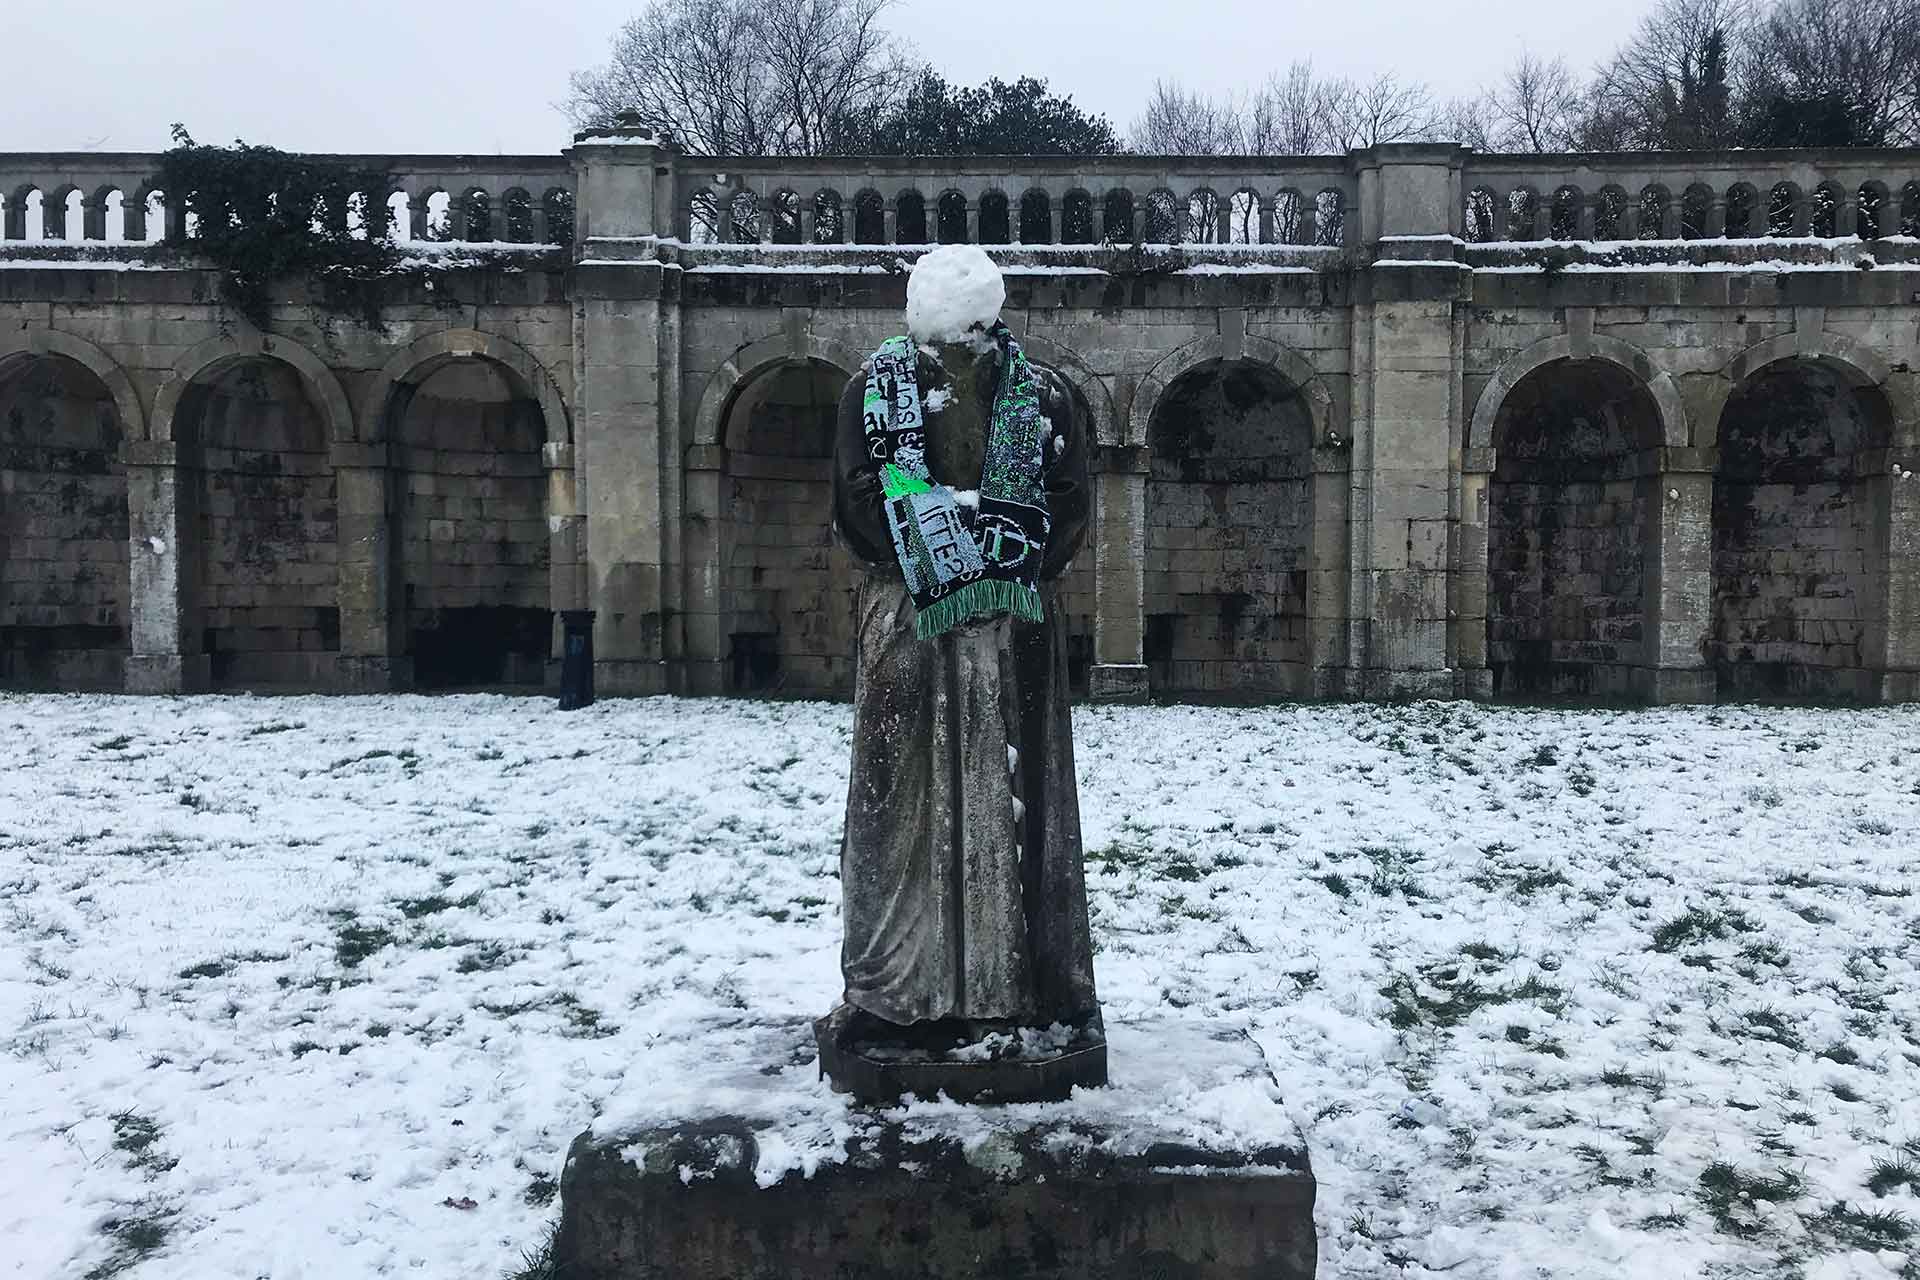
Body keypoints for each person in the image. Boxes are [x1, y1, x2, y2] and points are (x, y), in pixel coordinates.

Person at [825, 246, 1103, 1070]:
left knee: (1014, 799)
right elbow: (857, 500)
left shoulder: (1046, 395)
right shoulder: (869, 391)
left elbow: (1070, 503)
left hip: (1010, 627)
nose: (956, 353)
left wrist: (986, 560)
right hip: (909, 621)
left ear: (992, 322)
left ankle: (1014, 984)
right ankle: (897, 993)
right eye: (942, 340)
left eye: (970, 337)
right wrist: (947, 555)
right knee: (895, 806)